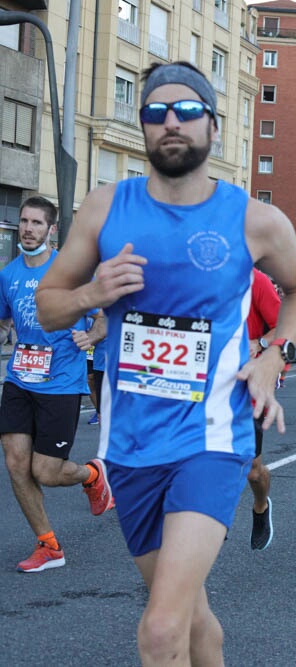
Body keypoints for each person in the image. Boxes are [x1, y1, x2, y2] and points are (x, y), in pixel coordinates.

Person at [34, 61, 296, 664]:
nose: (171, 123)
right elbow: (50, 305)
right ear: (141, 126)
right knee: (190, 618)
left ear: (213, 128)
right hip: (131, 445)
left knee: (160, 628)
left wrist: (274, 354)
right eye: (155, 112)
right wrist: (92, 294)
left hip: (212, 438)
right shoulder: (105, 208)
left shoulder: (253, 219)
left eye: (187, 112)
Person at [0, 196, 114, 573]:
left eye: (37, 223)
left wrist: (93, 337)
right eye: (24, 221)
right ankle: (48, 545)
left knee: (46, 471)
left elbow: (103, 318)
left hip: (61, 382)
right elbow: (4, 323)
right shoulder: (9, 274)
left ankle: (92, 475)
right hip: (19, 378)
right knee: (16, 462)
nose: (28, 229)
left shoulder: (72, 271)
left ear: (52, 229)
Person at [246, 267, 281, 550]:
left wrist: (261, 342)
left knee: (253, 470)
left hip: (245, 390)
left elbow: (282, 324)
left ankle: (260, 505)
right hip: (198, 389)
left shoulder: (255, 280)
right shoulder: (186, 274)